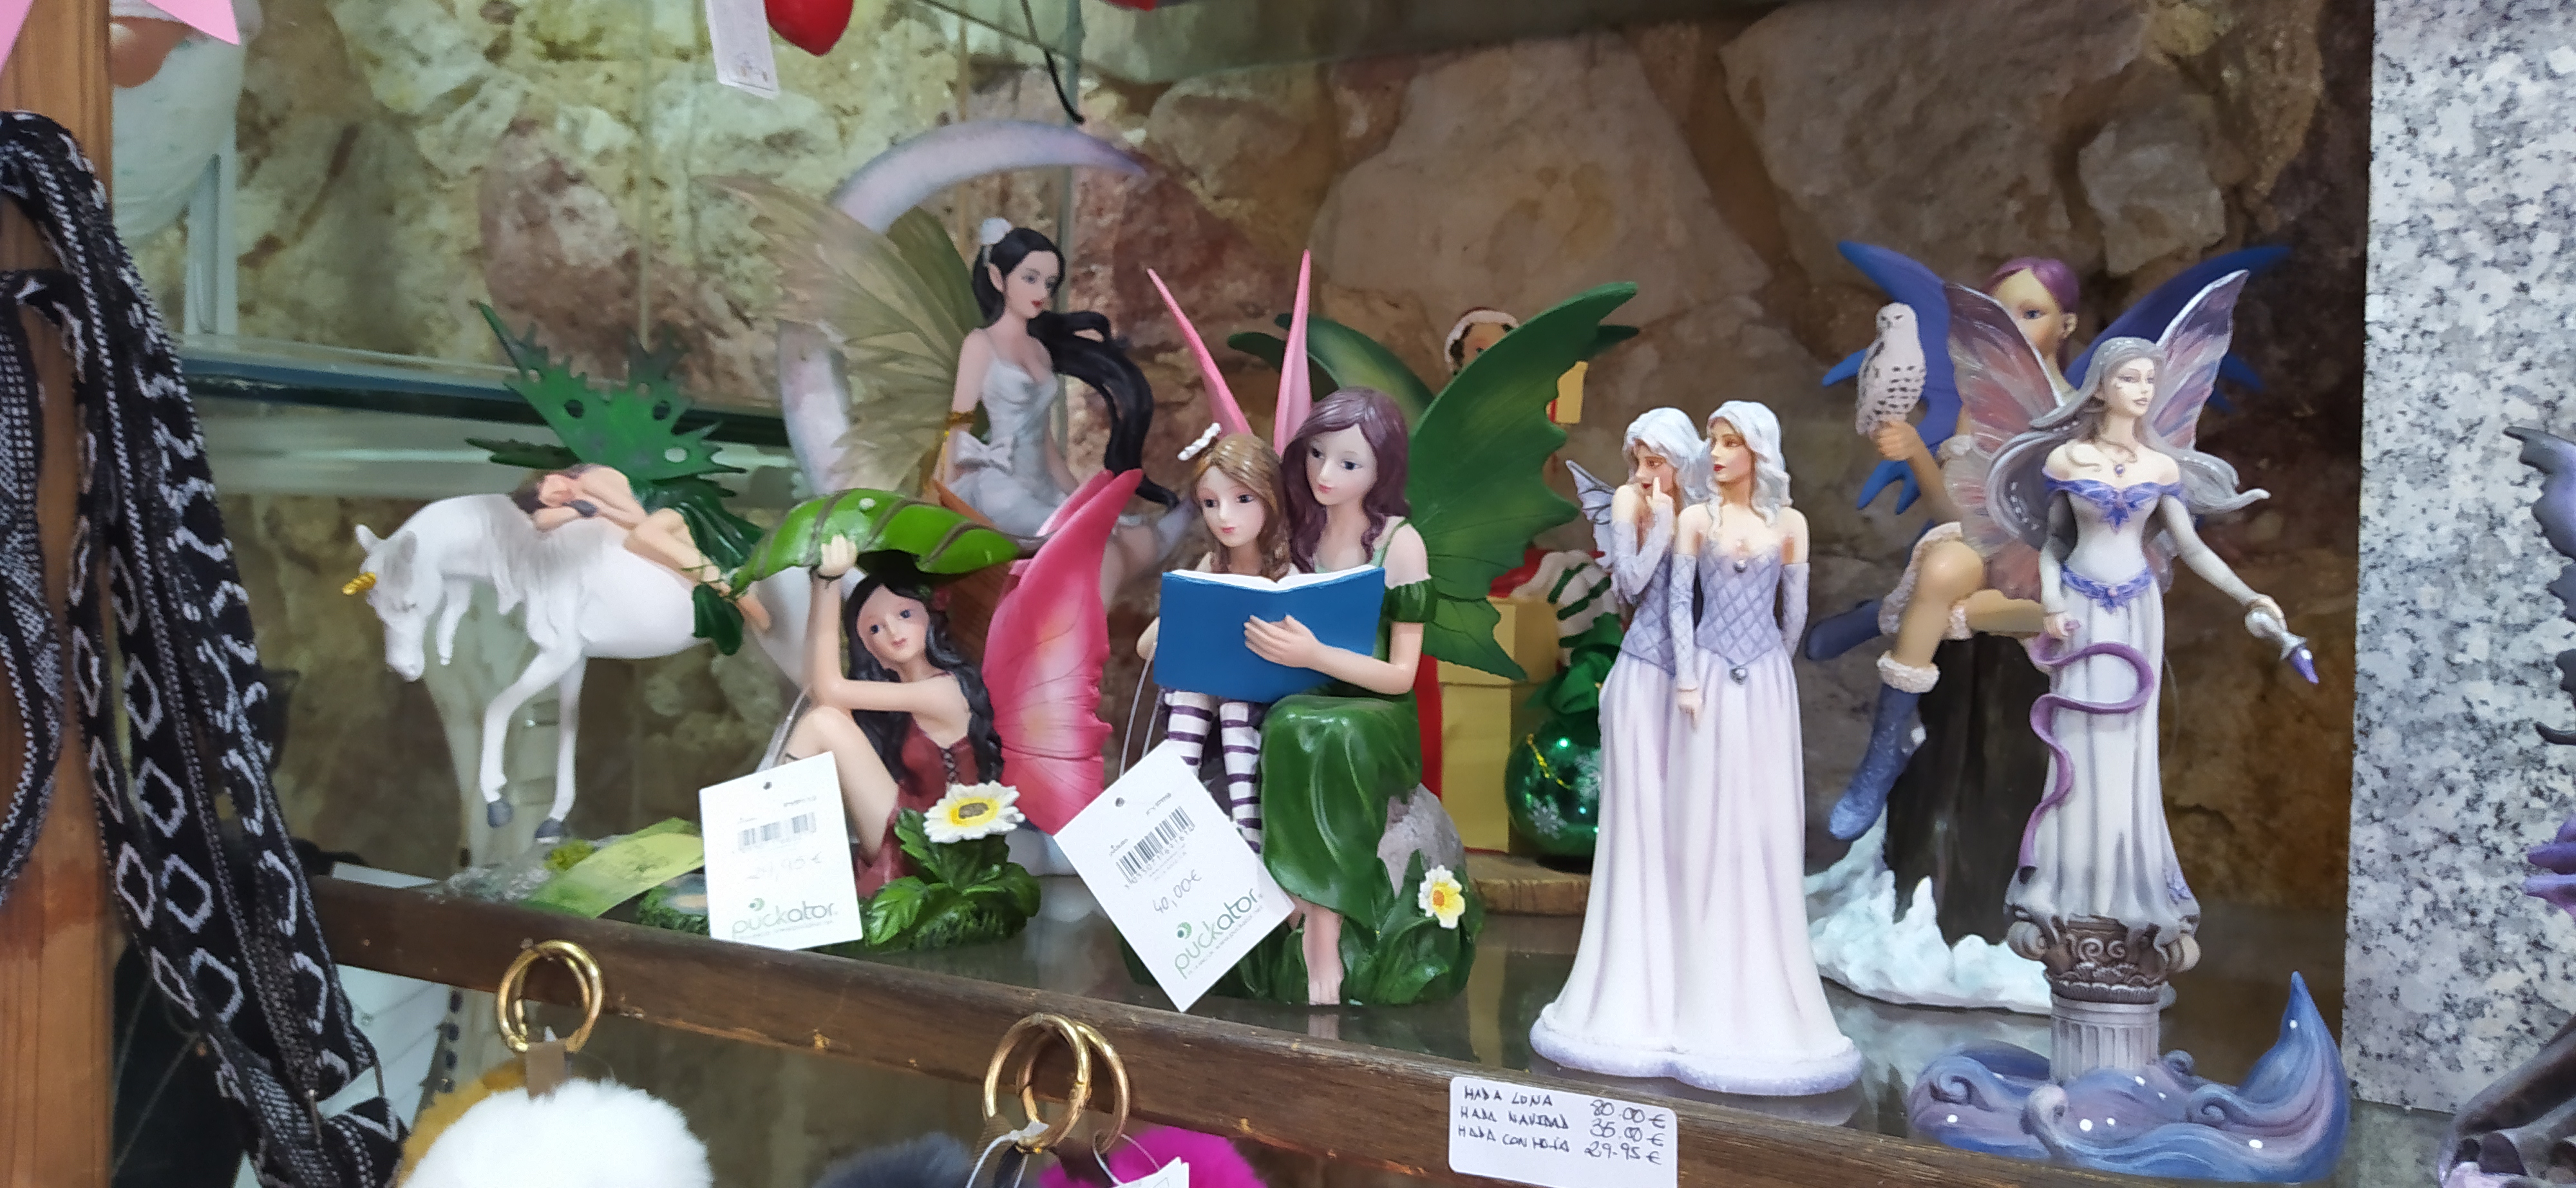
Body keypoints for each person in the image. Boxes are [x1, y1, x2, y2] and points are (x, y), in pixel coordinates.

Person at [1988, 338, 2277, 968]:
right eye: (2130, 378)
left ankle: (2126, 882)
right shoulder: (2068, 459)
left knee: (2127, 745)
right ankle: (2072, 884)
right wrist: (2052, 600)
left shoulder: (2160, 468)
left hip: (2137, 610)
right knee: (2082, 738)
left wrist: (2249, 595)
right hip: (2083, 610)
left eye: (2149, 379)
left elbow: (2192, 548)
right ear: (2100, 385)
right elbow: (2053, 543)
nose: (2143, 390)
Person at [942, 220, 1188, 599]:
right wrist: (946, 492)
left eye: (1050, 283)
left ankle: (1186, 516)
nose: (1042, 292)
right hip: (999, 486)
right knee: (1084, 545)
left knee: (1121, 533)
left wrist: (1084, 499)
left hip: (1039, 480)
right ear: (997, 278)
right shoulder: (980, 344)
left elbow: (1045, 444)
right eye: (1030, 278)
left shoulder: (1040, 351)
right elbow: (959, 423)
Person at [781, 537, 1003, 895]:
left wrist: (828, 585)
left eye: (904, 615)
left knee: (824, 721)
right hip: (912, 829)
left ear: (929, 615)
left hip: (933, 851)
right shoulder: (899, 697)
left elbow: (828, 689)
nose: (894, 631)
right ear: (869, 648)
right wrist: (822, 585)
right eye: (875, 628)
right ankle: (768, 834)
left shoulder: (946, 691)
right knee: (826, 716)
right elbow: (818, 686)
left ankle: (762, 834)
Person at [1137, 432, 1294, 845]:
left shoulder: (1287, 572)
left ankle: (1248, 822)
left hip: (1267, 691)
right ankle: (1176, 801)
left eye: (1243, 499)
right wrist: (1187, 602)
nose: (1225, 516)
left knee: (1234, 699)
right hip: (1214, 688)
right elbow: (1148, 648)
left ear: (1271, 498)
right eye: (1210, 503)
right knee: (1192, 687)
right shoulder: (1212, 566)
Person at [511, 463, 768, 632]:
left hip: (680, 503)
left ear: (550, 477)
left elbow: (637, 517)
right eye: (554, 503)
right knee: (637, 541)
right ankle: (722, 589)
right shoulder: (574, 499)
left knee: (643, 535)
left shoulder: (588, 480)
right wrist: (577, 511)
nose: (562, 498)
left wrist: (598, 510)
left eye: (554, 492)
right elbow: (541, 522)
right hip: (659, 516)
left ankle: (732, 590)